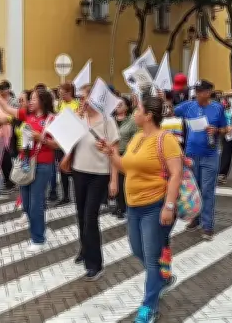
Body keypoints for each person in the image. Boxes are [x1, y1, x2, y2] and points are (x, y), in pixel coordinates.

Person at [98, 96, 181, 323]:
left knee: (152, 258)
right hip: (134, 206)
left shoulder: (166, 139)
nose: (135, 114)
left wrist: (169, 206)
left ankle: (149, 306)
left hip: (155, 205)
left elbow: (176, 174)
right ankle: (161, 279)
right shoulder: (136, 137)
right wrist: (110, 153)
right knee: (137, 250)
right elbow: (125, 165)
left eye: (138, 110)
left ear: (149, 116)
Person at [0, 83, 58, 252]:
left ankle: (38, 239)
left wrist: (41, 138)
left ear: (43, 101)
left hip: (42, 164)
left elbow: (58, 144)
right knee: (26, 204)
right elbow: (5, 107)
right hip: (25, 162)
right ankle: (38, 227)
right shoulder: (26, 114)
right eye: (30, 98)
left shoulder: (52, 120)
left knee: (35, 203)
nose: (30, 102)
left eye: (33, 99)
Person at [59, 83, 119, 281]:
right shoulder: (79, 119)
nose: (83, 102)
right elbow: (67, 141)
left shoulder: (107, 121)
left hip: (99, 174)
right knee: (81, 215)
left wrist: (114, 180)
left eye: (86, 98)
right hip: (78, 171)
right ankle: (85, 249)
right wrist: (74, 121)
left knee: (90, 217)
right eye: (82, 98)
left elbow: (114, 153)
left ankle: (95, 263)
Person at [173, 80, 227, 240]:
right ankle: (194, 219)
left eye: (201, 91)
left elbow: (225, 128)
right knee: (192, 190)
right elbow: (171, 112)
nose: (198, 94)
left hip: (210, 155)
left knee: (207, 191)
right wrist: (166, 100)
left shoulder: (217, 108)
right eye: (196, 91)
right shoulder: (188, 106)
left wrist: (217, 130)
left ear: (209, 92)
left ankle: (208, 225)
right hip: (191, 154)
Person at [52, 82, 80, 205]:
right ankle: (65, 196)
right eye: (59, 93)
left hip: (73, 141)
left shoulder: (76, 105)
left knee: (74, 169)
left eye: (62, 93)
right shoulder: (60, 104)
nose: (60, 95)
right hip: (61, 141)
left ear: (69, 92)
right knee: (62, 168)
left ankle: (78, 194)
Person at [113, 96, 137, 219]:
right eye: (117, 103)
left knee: (123, 182)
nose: (118, 105)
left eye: (121, 104)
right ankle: (118, 205)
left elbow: (135, 137)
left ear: (127, 107)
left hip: (124, 154)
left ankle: (123, 207)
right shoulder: (111, 120)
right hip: (112, 154)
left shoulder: (132, 121)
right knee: (114, 180)